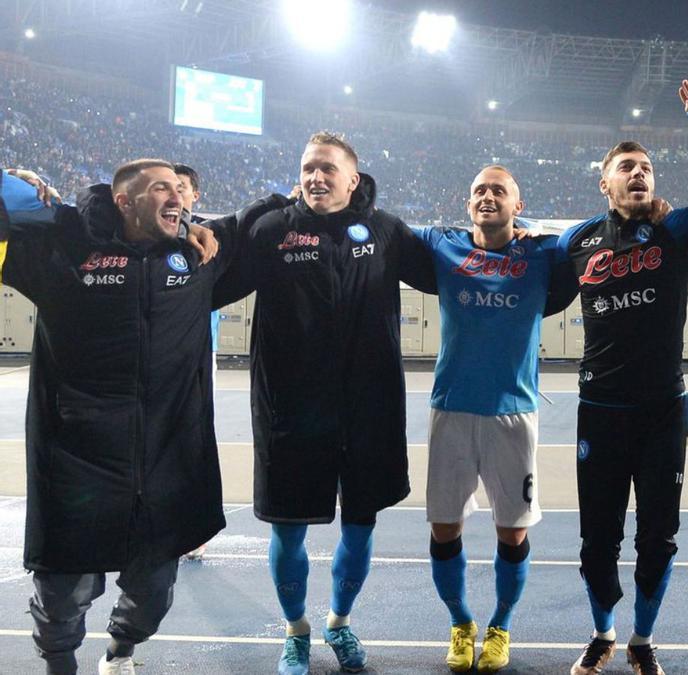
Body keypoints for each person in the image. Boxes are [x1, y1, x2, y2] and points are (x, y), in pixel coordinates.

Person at [0, 161, 260, 675]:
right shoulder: (64, 248)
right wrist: (14, 183)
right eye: (161, 188)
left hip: (164, 461)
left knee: (154, 594)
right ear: (124, 200)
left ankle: (121, 649)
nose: (178, 196)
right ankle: (60, 667)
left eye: (180, 191)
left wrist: (189, 226)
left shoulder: (196, 255)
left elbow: (269, 225)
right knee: (61, 597)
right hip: (76, 459)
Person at [558, 79, 688, 675]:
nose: (639, 173)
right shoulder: (577, 243)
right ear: (606, 183)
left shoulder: (678, 231)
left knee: (658, 539)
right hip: (598, 411)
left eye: (646, 166)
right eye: (627, 166)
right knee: (597, 543)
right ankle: (602, 632)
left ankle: (642, 640)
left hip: (661, 413)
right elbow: (532, 289)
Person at [211, 132, 437, 675]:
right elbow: (211, 287)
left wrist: (511, 245)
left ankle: (339, 620)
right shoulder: (272, 231)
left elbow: (447, 271)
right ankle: (295, 631)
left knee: (360, 526)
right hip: (290, 411)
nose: (316, 177)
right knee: (287, 529)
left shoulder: (386, 232)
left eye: (328, 169)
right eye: (308, 168)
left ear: (352, 178)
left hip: (369, 410)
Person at [413, 165, 579, 673]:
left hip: (514, 414)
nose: (488, 196)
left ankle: (501, 625)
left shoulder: (543, 252)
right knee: (445, 528)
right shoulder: (443, 245)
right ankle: (461, 623)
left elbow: (589, 237)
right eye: (479, 191)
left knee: (513, 533)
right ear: (468, 205)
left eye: (498, 191)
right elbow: (383, 230)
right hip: (452, 409)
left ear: (517, 204)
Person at [175, 162, 217, 563]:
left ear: (196, 194)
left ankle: (193, 529)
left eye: (182, 187)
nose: (175, 194)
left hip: (199, 356)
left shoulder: (211, 237)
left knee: (193, 439)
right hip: (155, 360)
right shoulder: (147, 235)